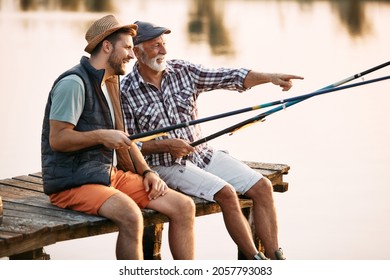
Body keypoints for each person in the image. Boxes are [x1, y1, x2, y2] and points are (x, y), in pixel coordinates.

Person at [121, 21, 304, 260]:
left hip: (203, 154)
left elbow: (229, 77)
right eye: (156, 46)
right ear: (137, 51)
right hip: (165, 166)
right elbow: (129, 146)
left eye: (164, 44)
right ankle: (254, 259)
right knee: (227, 193)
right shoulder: (124, 91)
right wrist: (166, 145)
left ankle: (275, 257)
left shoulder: (183, 71)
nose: (164, 51)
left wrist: (270, 77)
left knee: (262, 187)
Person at [41, 15, 195, 260]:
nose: (132, 56)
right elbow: (58, 139)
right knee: (131, 215)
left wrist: (147, 172)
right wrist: (102, 136)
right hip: (72, 183)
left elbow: (125, 138)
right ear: (106, 46)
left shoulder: (111, 82)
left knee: (184, 206)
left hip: (106, 175)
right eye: (126, 47)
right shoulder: (73, 83)